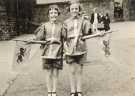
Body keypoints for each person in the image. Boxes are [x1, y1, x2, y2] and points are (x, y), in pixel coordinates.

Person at [34, 4, 64, 96]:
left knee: (55, 73)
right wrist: (40, 32)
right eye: (51, 13)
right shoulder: (45, 25)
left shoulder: (61, 26)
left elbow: (65, 38)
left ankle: (54, 91)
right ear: (48, 15)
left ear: (58, 14)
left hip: (58, 52)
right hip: (47, 52)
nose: (53, 14)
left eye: (55, 12)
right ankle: (49, 92)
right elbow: (39, 38)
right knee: (48, 73)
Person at [63, 1, 91, 96]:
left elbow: (88, 32)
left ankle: (79, 91)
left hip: (81, 47)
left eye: (76, 9)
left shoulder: (83, 20)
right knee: (71, 70)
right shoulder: (66, 22)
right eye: (72, 9)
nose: (74, 10)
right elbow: (63, 36)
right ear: (69, 10)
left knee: (79, 70)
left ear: (79, 10)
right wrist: (65, 47)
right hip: (70, 47)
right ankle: (72, 90)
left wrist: (87, 21)